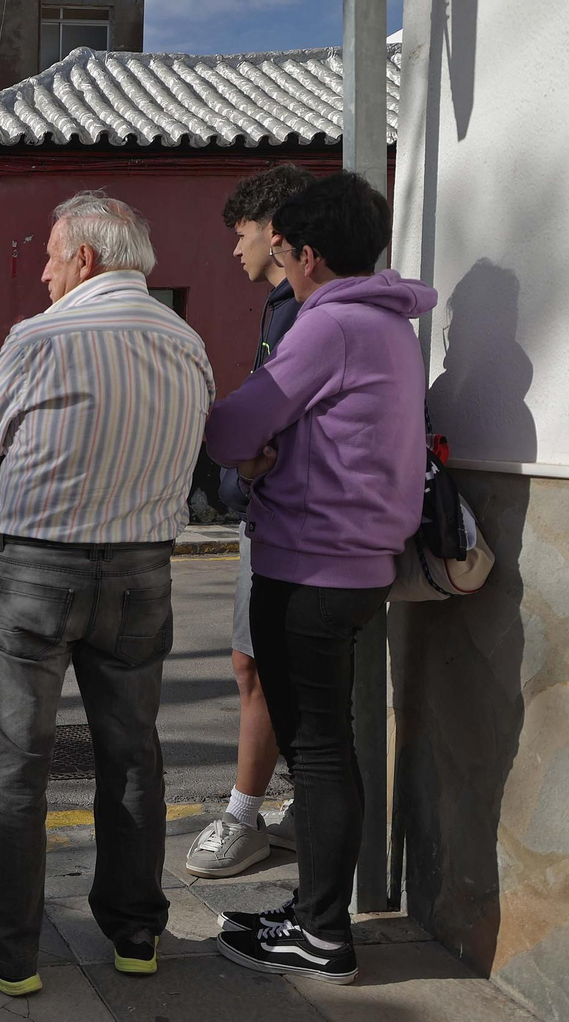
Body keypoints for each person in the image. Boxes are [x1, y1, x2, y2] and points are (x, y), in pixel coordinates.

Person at [0, 191, 215, 996]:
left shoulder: (42, 337)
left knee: (17, 764)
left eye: (50, 256)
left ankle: (7, 951)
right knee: (132, 754)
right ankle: (136, 934)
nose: (42, 271)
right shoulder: (188, 341)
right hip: (142, 568)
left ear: (87, 260)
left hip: (39, 566)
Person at [206, 172, 432, 985]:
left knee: (322, 753)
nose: (280, 264)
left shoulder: (325, 325)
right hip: (359, 565)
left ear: (305, 253)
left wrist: (251, 447)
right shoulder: (388, 325)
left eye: (284, 251)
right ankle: (314, 916)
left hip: (309, 566)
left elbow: (236, 424)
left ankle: (323, 934)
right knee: (329, 747)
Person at [180, 166, 316, 880]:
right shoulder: (285, 307)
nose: (236, 250)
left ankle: (242, 815)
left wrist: (238, 471)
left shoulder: (302, 311)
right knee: (258, 664)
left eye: (242, 235)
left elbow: (260, 421)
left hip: (286, 519)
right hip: (271, 513)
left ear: (277, 232)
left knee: (256, 664)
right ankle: (288, 803)